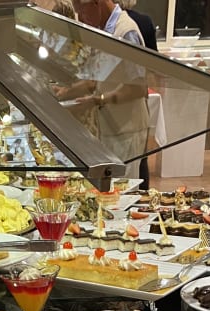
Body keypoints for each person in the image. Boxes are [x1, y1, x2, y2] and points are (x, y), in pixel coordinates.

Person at [56, 0, 149, 179]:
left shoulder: (126, 32)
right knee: (108, 187)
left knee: (122, 187)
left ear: (96, 4)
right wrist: (64, 93)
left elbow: (138, 88)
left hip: (127, 130)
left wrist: (99, 100)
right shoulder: (104, 31)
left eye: (82, 12)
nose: (82, 19)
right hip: (109, 127)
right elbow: (95, 81)